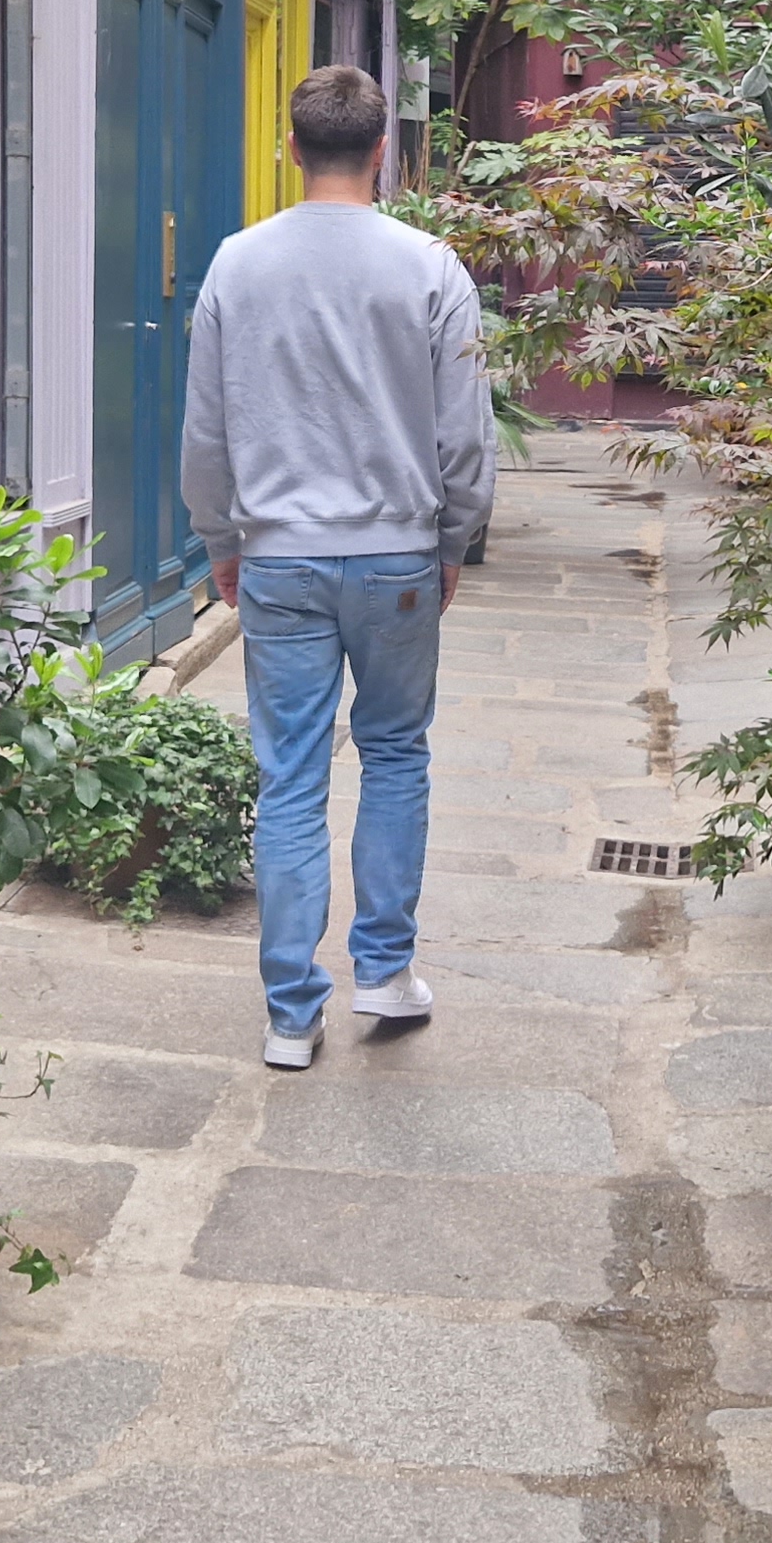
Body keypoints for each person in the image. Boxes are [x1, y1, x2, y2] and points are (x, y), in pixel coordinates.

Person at [178, 65, 497, 1068]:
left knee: (289, 780)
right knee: (396, 754)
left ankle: (288, 1015)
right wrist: (451, 543)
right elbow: (464, 440)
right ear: (383, 156)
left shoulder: (237, 264)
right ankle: (385, 972)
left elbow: (205, 436)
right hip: (397, 555)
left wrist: (222, 545)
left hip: (279, 558)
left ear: (290, 148)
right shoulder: (430, 268)